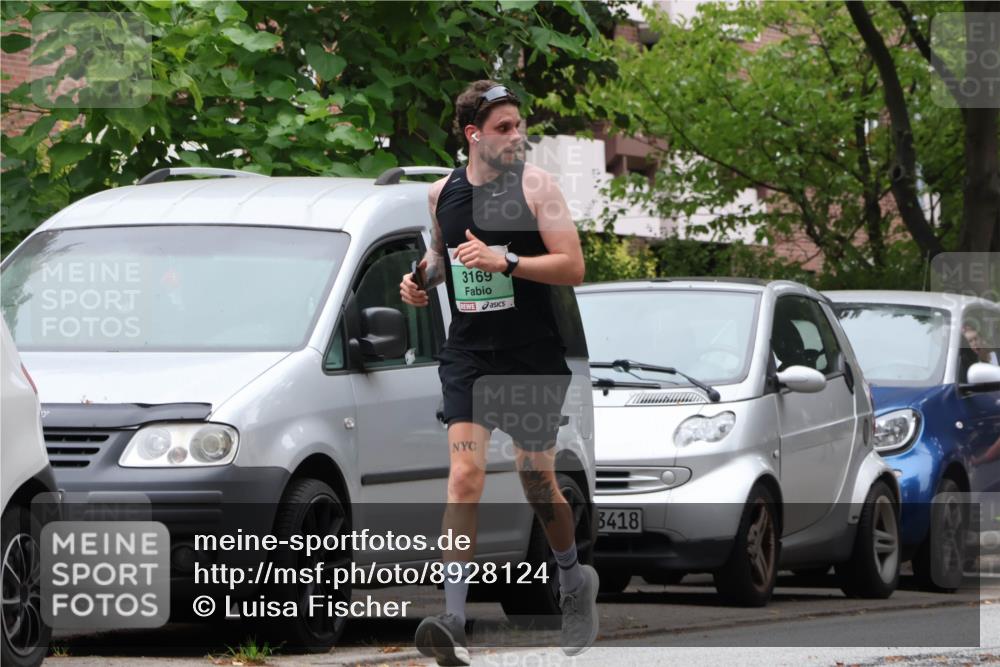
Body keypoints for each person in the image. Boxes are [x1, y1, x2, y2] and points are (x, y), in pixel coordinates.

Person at [399, 80, 598, 666]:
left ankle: (571, 579)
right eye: (505, 128)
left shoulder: (538, 188)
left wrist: (506, 260)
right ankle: (453, 619)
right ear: (473, 136)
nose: (518, 136)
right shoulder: (442, 193)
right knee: (464, 475)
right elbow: (442, 258)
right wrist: (420, 280)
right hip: (469, 355)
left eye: (519, 125)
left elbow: (573, 267)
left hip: (530, 355)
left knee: (536, 479)